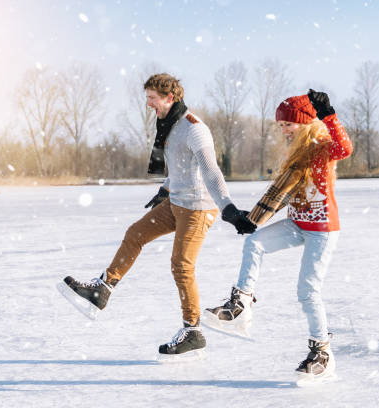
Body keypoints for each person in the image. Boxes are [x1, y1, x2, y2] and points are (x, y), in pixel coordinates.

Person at [57, 73, 248, 359]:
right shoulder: (167, 125)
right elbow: (180, 167)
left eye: (153, 98)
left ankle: (193, 331)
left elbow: (209, 170)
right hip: (176, 202)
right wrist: (165, 188)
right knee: (135, 234)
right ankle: (103, 289)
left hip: (198, 208)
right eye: (147, 98)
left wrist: (228, 208)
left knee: (181, 266)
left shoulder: (194, 129)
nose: (149, 104)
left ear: (170, 98)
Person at [203, 90, 353, 382]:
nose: (284, 130)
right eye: (281, 125)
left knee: (307, 291)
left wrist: (329, 116)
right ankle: (240, 306)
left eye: (289, 124)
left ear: (306, 123)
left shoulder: (322, 147)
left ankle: (321, 352)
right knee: (254, 243)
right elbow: (283, 194)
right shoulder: (294, 152)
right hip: (297, 224)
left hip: (322, 230)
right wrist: (254, 219)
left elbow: (344, 148)